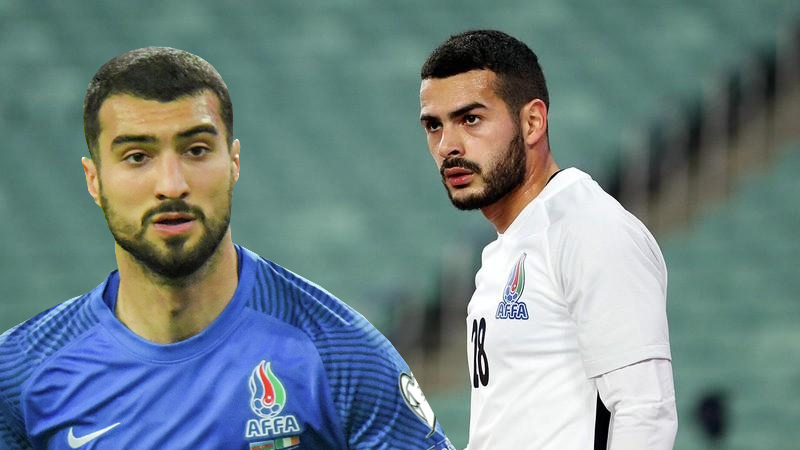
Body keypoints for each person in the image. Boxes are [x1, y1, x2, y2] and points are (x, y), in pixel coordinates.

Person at [0, 47, 455, 450]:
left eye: (196, 150)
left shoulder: (340, 354)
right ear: (94, 179)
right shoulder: (19, 374)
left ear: (233, 162)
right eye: (137, 157)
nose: (171, 185)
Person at [418, 30, 678, 449]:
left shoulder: (588, 227)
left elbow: (646, 411)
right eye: (434, 125)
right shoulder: (503, 253)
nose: (448, 145)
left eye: (470, 119)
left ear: (532, 122)